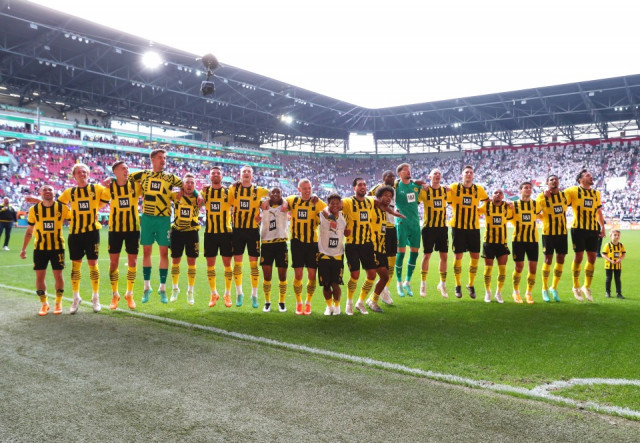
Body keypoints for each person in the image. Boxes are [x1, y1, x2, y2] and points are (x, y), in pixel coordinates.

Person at [129, 148, 184, 304]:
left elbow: (186, 185)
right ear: (152, 159)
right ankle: (147, 287)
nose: (163, 160)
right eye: (160, 157)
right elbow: (126, 178)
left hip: (163, 219)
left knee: (163, 253)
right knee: (146, 251)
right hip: (147, 218)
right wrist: (109, 180)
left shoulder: (170, 177)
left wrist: (194, 194)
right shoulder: (143, 174)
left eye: (164, 158)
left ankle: (162, 288)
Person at [57, 163, 109, 314]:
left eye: (85, 171)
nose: (82, 174)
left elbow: (105, 200)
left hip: (92, 232)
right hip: (75, 233)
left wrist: (107, 185)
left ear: (88, 174)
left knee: (93, 264)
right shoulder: (69, 192)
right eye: (79, 172)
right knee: (76, 266)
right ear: (74, 176)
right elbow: (59, 206)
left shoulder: (96, 188)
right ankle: (76, 297)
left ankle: (95, 297)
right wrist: (70, 216)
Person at [19, 185, 69, 316]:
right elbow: (29, 231)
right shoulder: (33, 210)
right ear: (40, 193)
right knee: (39, 276)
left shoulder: (62, 208)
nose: (47, 191)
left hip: (58, 247)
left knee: (58, 275)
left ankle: (58, 302)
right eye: (44, 190)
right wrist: (23, 249)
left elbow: (75, 219)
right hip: (40, 248)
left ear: (54, 193)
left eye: (50, 189)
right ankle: (44, 304)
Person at [282, 179, 327, 315]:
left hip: (312, 243)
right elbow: (281, 201)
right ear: (299, 189)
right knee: (299, 275)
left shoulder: (317, 202)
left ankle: (308, 302)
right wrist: (284, 204)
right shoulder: (293, 200)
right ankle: (298, 303)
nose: (307, 191)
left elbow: (329, 211)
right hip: (297, 243)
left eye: (309, 188)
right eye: (304, 188)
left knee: (312, 276)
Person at [228, 165, 269, 308]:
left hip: (252, 231)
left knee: (253, 265)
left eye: (249, 172)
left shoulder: (259, 190)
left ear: (252, 175)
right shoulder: (233, 189)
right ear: (240, 175)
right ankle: (239, 293)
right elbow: (226, 202)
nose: (246, 173)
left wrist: (263, 212)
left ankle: (254, 295)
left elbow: (274, 195)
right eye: (244, 171)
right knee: (237, 264)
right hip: (237, 231)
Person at [103, 161, 140, 310]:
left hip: (133, 229)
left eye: (127, 168)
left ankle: (129, 294)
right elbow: (99, 202)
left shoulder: (135, 185)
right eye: (123, 168)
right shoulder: (110, 187)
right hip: (115, 230)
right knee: (113, 263)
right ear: (115, 172)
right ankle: (115, 294)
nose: (126, 170)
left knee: (133, 262)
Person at [448, 165, 489, 299]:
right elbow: (446, 197)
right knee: (458, 257)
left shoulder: (479, 189)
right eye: (466, 172)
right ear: (462, 175)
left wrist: (479, 211)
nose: (469, 174)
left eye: (471, 172)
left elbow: (487, 201)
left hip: (473, 228)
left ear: (473, 175)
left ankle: (470, 284)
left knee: (475, 256)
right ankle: (458, 284)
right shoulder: (454, 187)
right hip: (458, 227)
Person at [564, 169, 605, 302]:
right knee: (579, 256)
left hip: (593, 229)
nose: (591, 177)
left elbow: (598, 211)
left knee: (592, 258)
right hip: (578, 229)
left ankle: (586, 286)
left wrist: (602, 227)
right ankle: (575, 286)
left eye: (591, 175)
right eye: (588, 175)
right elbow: (559, 199)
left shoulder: (596, 193)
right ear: (581, 179)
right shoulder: (572, 191)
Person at [364, 185, 402, 313]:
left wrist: (393, 212)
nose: (388, 198)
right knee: (372, 275)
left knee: (384, 274)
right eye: (385, 195)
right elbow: (365, 199)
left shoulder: (384, 210)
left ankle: (373, 299)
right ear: (378, 196)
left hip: (382, 243)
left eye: (390, 196)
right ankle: (360, 302)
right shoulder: (371, 205)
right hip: (371, 246)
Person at [201, 166, 234, 308]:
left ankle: (227, 294)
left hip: (225, 233)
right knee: (210, 264)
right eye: (213, 173)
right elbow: (197, 201)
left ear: (222, 176)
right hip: (210, 233)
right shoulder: (205, 191)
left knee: (227, 264)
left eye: (218, 173)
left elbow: (238, 203)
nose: (215, 175)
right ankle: (213, 293)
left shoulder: (228, 192)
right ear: (209, 176)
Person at [535, 174, 569, 302]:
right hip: (548, 233)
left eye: (556, 179)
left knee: (561, 259)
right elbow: (535, 212)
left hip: (562, 233)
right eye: (551, 180)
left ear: (558, 182)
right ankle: (544, 288)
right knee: (548, 260)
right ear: (547, 183)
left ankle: (553, 287)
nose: (554, 181)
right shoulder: (541, 197)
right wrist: (544, 218)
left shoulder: (564, 196)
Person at [169, 173, 201, 305]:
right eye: (187, 182)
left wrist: (198, 193)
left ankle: (190, 292)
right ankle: (175, 289)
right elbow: (164, 191)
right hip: (177, 232)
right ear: (183, 184)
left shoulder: (199, 199)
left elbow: (206, 199)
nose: (189, 185)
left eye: (192, 183)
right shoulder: (175, 196)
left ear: (195, 185)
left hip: (192, 233)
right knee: (175, 261)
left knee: (191, 262)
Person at [419, 168, 449, 298]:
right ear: (429, 176)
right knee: (427, 256)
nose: (437, 175)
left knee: (444, 256)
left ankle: (442, 284)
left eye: (439, 174)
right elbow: (414, 202)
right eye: (435, 173)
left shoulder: (445, 191)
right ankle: (423, 283)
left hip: (442, 228)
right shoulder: (425, 191)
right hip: (429, 228)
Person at [368, 170, 397, 305]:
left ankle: (385, 288)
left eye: (393, 176)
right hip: (381, 228)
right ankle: (379, 292)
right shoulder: (377, 188)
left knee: (392, 259)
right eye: (390, 176)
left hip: (392, 227)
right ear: (383, 177)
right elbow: (366, 199)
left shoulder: (394, 189)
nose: (392, 178)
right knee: (382, 262)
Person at [394, 163, 423, 297]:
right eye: (405, 170)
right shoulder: (396, 186)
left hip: (415, 223)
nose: (408, 172)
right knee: (401, 253)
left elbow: (426, 187)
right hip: (402, 223)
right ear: (399, 173)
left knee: (415, 253)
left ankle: (407, 282)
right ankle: (399, 283)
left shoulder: (415, 186)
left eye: (409, 170)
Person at [258, 187, 289, 312]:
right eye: (273, 192)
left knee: (282, 276)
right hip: (267, 244)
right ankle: (267, 302)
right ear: (269, 194)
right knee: (267, 276)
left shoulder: (286, 205)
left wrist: (285, 201)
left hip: (281, 243)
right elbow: (253, 200)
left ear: (282, 194)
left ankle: (282, 302)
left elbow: (290, 202)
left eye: (278, 192)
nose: (275, 194)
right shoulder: (263, 205)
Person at [510, 182, 542, 304]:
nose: (528, 189)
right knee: (519, 267)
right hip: (518, 240)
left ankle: (528, 293)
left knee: (533, 269)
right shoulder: (513, 205)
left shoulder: (536, 204)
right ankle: (516, 292)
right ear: (520, 190)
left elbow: (541, 213)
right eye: (525, 188)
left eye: (530, 188)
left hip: (533, 240)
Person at [479, 189, 512, 303]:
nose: (498, 194)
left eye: (500, 193)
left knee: (502, 269)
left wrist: (511, 204)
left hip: (502, 243)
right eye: (495, 193)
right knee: (488, 269)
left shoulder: (507, 207)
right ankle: (488, 291)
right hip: (489, 242)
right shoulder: (486, 205)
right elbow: (476, 211)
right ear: (491, 195)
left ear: (503, 196)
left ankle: (498, 293)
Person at [317, 194, 348, 315]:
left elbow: (346, 231)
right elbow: (324, 210)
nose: (335, 205)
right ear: (328, 204)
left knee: (335, 284)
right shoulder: (323, 214)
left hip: (338, 255)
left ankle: (337, 306)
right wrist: (331, 218)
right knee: (326, 285)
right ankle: (329, 306)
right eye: (332, 203)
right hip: (324, 254)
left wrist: (347, 232)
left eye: (337, 203)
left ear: (340, 205)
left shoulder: (344, 216)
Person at [602, 229, 626, 299]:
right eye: (615, 235)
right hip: (609, 265)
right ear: (610, 236)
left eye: (618, 235)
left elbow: (623, 254)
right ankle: (608, 292)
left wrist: (620, 259)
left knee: (618, 279)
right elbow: (603, 254)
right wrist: (610, 260)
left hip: (618, 266)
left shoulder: (621, 245)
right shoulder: (607, 245)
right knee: (608, 279)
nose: (617, 236)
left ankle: (619, 293)